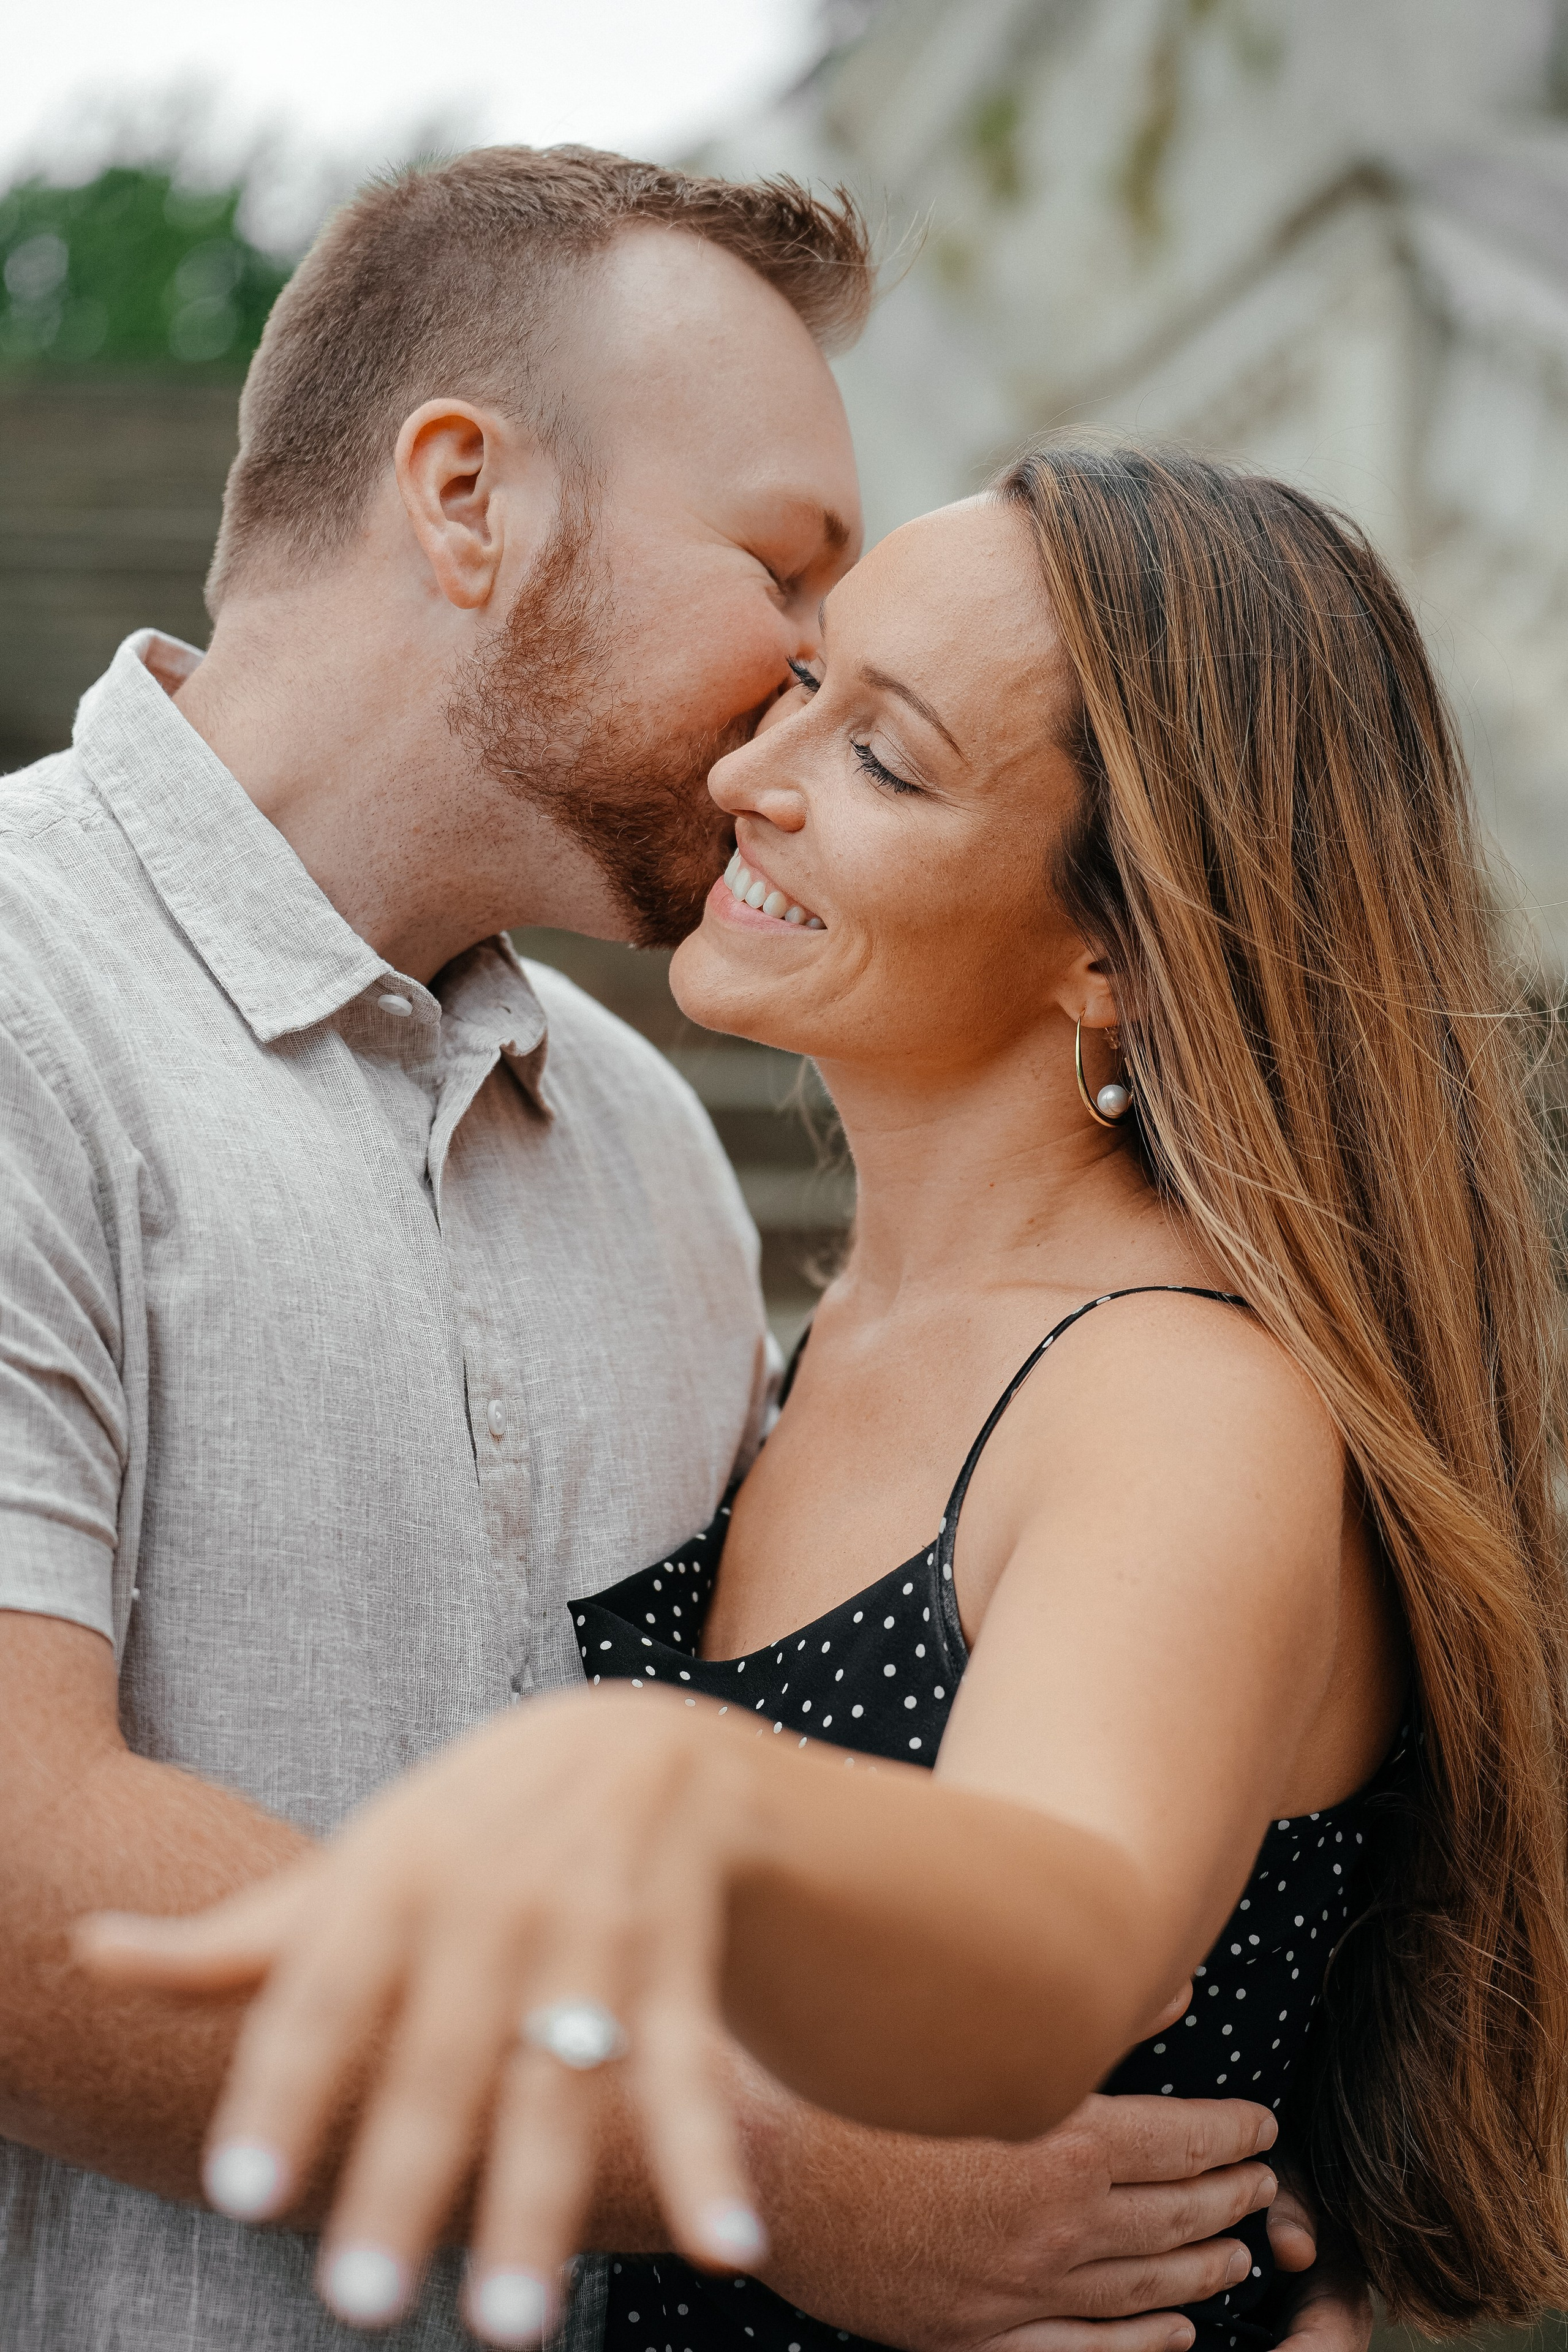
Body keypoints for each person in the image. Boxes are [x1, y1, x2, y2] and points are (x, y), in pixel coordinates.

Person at [0, 152, 1317, 2352]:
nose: (811, 666)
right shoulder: (29, 997)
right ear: (463, 499)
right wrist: (774, 2176)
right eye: (784, 565)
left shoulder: (650, 1159)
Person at [91, 444, 1568, 2352]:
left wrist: (671, 1781)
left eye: (887, 758)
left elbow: (1070, 1947)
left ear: (1119, 948)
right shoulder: (818, 1328)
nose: (743, 780)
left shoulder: (1179, 1394)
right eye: (806, 687)